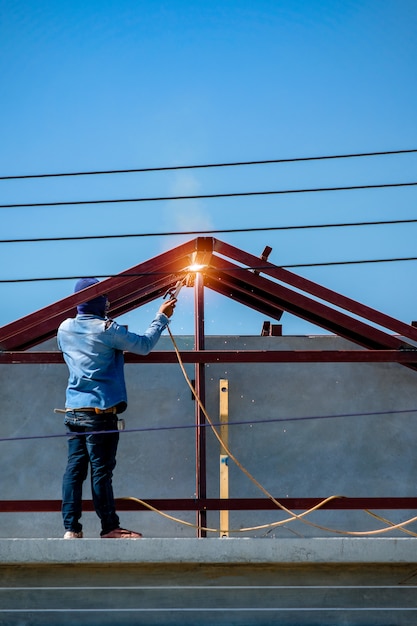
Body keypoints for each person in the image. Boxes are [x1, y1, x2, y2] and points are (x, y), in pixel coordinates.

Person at [57, 277, 176, 539]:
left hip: (73, 412)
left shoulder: (64, 328)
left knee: (74, 471)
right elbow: (143, 345)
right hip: (101, 414)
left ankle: (71, 529)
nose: (109, 302)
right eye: (105, 297)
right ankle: (109, 528)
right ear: (99, 300)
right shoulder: (106, 329)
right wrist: (161, 317)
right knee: (101, 472)